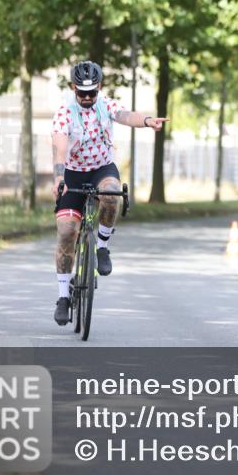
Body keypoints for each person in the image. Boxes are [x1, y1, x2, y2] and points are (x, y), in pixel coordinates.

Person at [50, 60, 167, 325]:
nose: (87, 98)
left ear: (99, 87)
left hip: (102, 168)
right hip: (72, 172)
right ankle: (63, 297)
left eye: (92, 92)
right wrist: (59, 176)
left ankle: (102, 247)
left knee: (112, 193)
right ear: (73, 88)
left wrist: (147, 121)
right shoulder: (64, 113)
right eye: (82, 93)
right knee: (67, 233)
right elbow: (59, 147)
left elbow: (125, 115)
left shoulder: (105, 105)